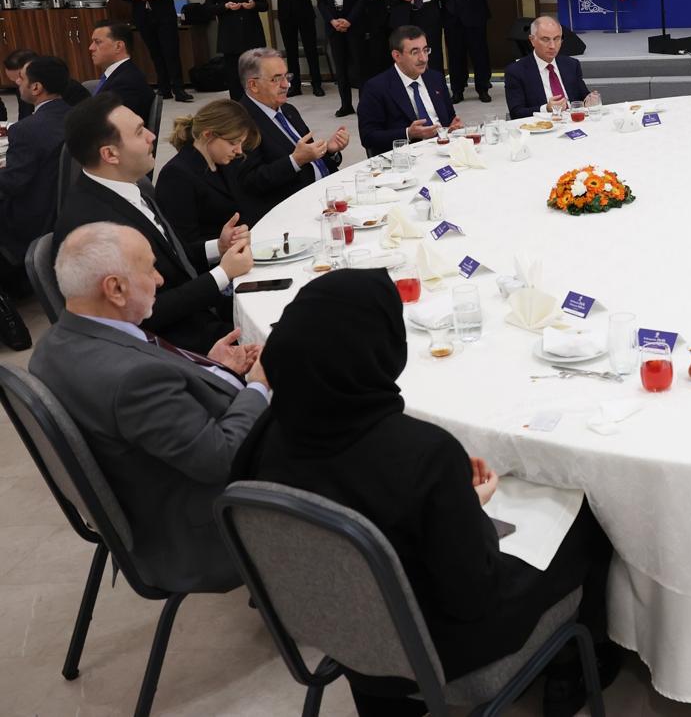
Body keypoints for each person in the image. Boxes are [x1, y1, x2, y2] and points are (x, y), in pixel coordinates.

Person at [235, 269, 619, 717]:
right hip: (440, 648)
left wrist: (452, 504)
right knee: (585, 519)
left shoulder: (264, 437)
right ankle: (574, 668)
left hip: (330, 625)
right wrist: (468, 511)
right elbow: (473, 597)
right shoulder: (424, 455)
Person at [30, 221, 268, 593]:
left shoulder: (54, 346)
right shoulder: (132, 380)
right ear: (115, 288)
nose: (159, 279)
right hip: (205, 530)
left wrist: (210, 367)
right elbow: (222, 457)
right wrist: (259, 384)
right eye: (150, 269)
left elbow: (150, 403)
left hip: (158, 486)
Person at [55, 94, 252, 350]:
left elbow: (171, 257)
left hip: (198, 313)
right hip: (175, 344)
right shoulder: (91, 226)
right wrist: (222, 274)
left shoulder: (128, 186)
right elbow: (144, 313)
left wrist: (219, 247)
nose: (152, 136)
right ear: (110, 154)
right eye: (140, 132)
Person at [237, 48, 348, 216]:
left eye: (287, 77)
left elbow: (310, 157)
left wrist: (329, 150)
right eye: (276, 79)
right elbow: (251, 182)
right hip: (294, 209)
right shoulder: (241, 122)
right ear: (253, 85)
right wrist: (295, 161)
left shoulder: (288, 110)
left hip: (328, 195)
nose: (285, 85)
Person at [156, 99, 261, 247]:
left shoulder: (222, 161)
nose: (239, 150)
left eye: (240, 143)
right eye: (233, 142)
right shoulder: (176, 176)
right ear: (208, 134)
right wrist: (219, 245)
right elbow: (182, 244)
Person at [0, 55, 72, 262]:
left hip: (32, 218)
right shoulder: (77, 115)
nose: (17, 82)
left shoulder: (26, 130)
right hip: (64, 208)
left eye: (21, 78)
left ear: (36, 87)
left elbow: (12, 184)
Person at [357, 25, 460, 157]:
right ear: (397, 56)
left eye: (425, 50)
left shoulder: (436, 78)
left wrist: (452, 128)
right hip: (408, 157)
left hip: (444, 150)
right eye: (415, 52)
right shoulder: (376, 87)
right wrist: (408, 133)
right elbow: (368, 137)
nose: (423, 58)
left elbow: (450, 118)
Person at [117, 0, 189, 101]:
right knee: (155, 53)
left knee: (171, 52)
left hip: (164, 15)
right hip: (143, 16)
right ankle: (164, 89)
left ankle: (179, 89)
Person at [203, 0, 269, 101]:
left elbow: (264, 5)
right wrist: (225, 6)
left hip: (252, 33)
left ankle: (259, 102)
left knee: (255, 71)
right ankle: (237, 105)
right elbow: (208, 8)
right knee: (233, 74)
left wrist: (253, 5)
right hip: (230, 35)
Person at [504, 16, 599, 119]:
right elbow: (516, 113)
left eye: (557, 39)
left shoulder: (571, 64)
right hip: (541, 125)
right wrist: (546, 108)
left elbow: (583, 96)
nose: (552, 46)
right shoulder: (516, 71)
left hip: (573, 122)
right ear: (532, 40)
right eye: (545, 39)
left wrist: (589, 99)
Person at [318, 0, 367, 117]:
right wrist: (332, 20)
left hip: (353, 22)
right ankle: (346, 105)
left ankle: (364, 105)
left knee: (359, 66)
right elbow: (321, 1)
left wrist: (349, 20)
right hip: (333, 23)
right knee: (340, 67)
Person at [87, 21, 154, 122]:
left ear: (118, 46)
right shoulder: (122, 74)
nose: (91, 48)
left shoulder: (126, 82)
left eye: (98, 42)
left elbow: (111, 125)